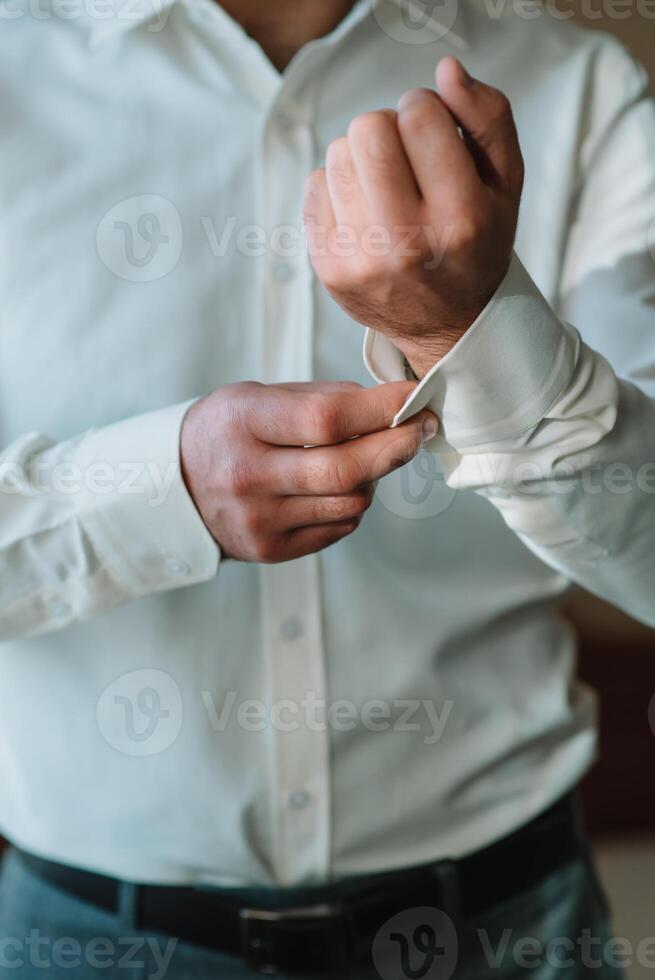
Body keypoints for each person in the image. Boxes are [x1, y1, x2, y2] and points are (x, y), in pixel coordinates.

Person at [0, 0, 653, 976]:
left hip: (512, 924)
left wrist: (468, 332)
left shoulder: (580, 86)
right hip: (87, 938)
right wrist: (159, 496)